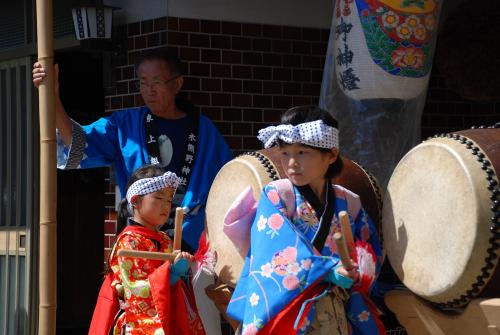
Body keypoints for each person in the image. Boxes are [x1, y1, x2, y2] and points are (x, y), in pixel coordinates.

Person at [32, 48, 233, 251]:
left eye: (156, 82)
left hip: (190, 240)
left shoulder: (204, 129)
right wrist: (53, 97)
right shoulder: (125, 125)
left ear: (177, 83)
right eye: (143, 82)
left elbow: (228, 183)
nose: (149, 90)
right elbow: (76, 143)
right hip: (139, 239)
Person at [226, 106, 384, 335]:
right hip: (288, 311)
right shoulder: (277, 195)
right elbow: (270, 252)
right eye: (285, 153)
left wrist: (356, 271)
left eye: (302, 153)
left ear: (331, 155)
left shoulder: (349, 201)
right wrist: (327, 269)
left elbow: (370, 251)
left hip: (334, 306)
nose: (291, 163)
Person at [89, 164, 205, 335]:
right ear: (135, 201)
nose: (166, 206)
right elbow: (136, 290)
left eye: (168, 200)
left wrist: (183, 269)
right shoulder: (129, 241)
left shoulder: (165, 239)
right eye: (158, 199)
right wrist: (171, 274)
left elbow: (175, 284)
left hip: (169, 315)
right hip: (139, 322)